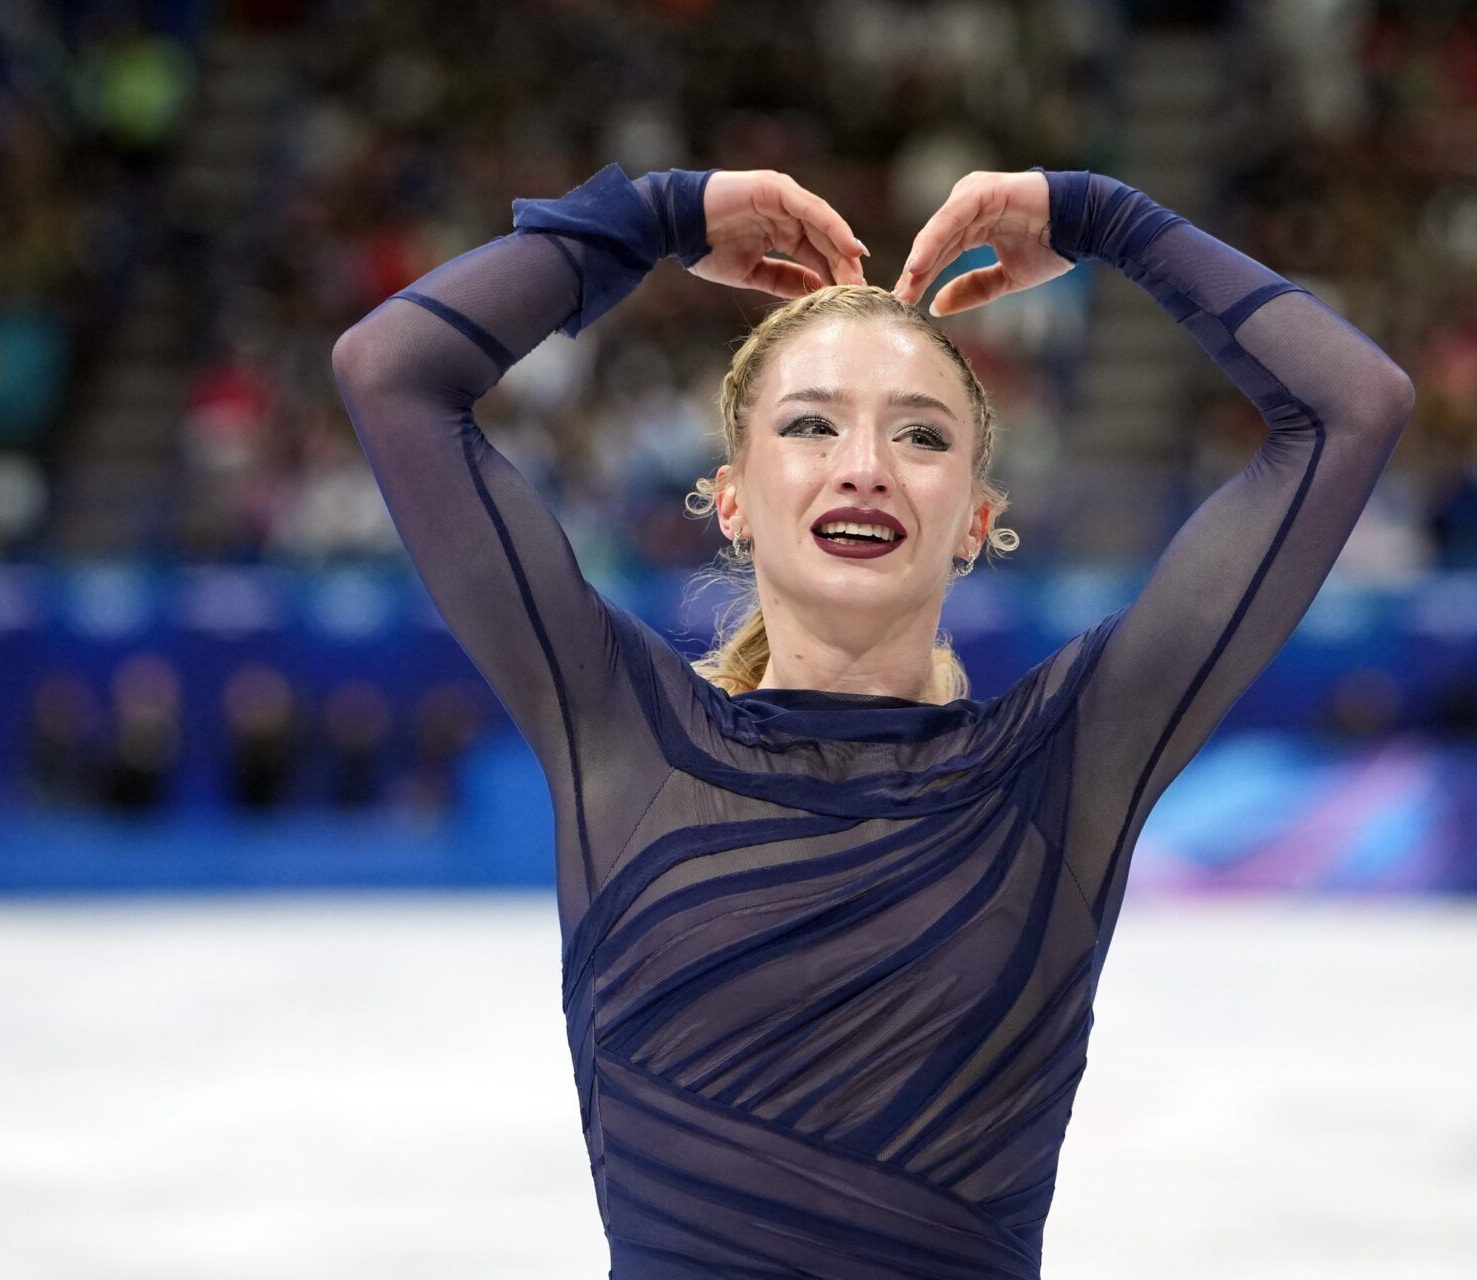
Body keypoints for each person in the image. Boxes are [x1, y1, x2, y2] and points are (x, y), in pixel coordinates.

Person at [332, 161, 1412, 1278]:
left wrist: (1108, 217)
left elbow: (1352, 406)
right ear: (734, 499)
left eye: (922, 436)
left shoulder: (1063, 768)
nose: (864, 470)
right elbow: (391, 371)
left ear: (976, 522)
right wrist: (650, 214)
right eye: (811, 425)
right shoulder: (619, 732)